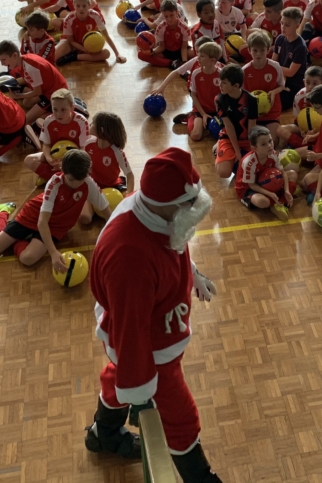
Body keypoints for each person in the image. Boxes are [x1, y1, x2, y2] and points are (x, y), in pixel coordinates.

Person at [86, 147, 222, 483]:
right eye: (189, 204)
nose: (195, 209)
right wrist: (139, 384)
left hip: (154, 319)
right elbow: (130, 332)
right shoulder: (128, 256)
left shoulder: (149, 206)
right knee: (180, 415)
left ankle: (104, 434)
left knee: (116, 375)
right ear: (167, 204)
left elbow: (172, 241)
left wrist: (192, 274)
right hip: (151, 347)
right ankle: (201, 478)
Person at [0, 150, 110, 268]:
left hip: (56, 226)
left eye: (80, 180)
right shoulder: (55, 183)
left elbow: (108, 214)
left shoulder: (89, 184)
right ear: (62, 170)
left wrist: (112, 238)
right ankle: (3, 212)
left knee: (27, 259)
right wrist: (53, 252)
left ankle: (17, 240)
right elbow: (42, 222)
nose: (76, 184)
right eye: (71, 179)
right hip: (34, 215)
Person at [236, 126, 295, 220]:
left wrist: (287, 190)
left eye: (270, 141)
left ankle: (280, 203)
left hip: (268, 180)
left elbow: (283, 173)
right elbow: (252, 185)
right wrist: (270, 193)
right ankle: (277, 201)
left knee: (292, 174)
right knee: (262, 202)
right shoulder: (249, 162)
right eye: (263, 144)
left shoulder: (273, 154)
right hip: (248, 187)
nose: (269, 145)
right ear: (254, 148)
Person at [214, 64, 258, 178]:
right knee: (224, 173)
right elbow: (229, 126)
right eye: (220, 81)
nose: (220, 85)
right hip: (228, 137)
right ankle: (219, 145)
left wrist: (252, 148)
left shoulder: (251, 100)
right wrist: (237, 152)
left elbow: (252, 128)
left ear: (236, 85)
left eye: (224, 82)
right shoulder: (219, 100)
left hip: (247, 139)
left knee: (256, 170)